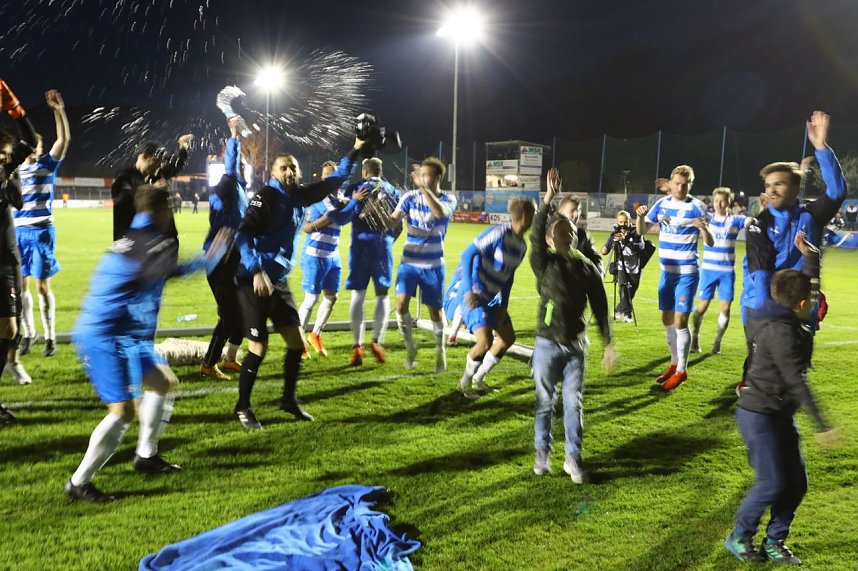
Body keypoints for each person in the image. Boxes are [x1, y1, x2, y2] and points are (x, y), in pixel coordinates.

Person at [66, 185, 229, 502]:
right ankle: (79, 482)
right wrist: (209, 260)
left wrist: (204, 260)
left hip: (128, 333)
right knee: (123, 411)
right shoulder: (151, 243)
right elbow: (163, 271)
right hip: (105, 335)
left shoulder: (133, 238)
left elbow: (157, 273)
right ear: (163, 210)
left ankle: (145, 455)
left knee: (162, 382)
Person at [231, 137, 367, 429]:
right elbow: (242, 234)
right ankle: (243, 407)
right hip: (252, 280)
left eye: (292, 167)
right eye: (283, 168)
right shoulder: (266, 197)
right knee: (258, 348)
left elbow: (336, 180)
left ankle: (288, 400)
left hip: (276, 281)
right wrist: (256, 270)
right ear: (273, 173)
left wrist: (356, 147)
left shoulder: (300, 196)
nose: (289, 171)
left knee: (296, 341)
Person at [725, 235, 838, 564]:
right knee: (772, 481)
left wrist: (811, 260)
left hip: (778, 414)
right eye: (811, 300)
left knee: (797, 483)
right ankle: (739, 536)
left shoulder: (791, 315)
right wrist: (822, 425)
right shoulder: (781, 331)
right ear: (801, 305)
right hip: (758, 414)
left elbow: (808, 291)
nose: (816, 303)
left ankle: (775, 540)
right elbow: (795, 381)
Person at [740, 111, 846, 391]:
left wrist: (822, 148)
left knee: (797, 368)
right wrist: (770, 324)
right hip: (761, 308)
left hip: (802, 307)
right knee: (766, 374)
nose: (771, 190)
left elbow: (837, 192)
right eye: (768, 185)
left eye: (779, 183)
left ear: (796, 187)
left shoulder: (811, 216)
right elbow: (761, 278)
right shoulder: (758, 225)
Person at [530, 168, 616, 483]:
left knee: (573, 403)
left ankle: (573, 458)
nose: (569, 234)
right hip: (546, 344)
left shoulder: (587, 268)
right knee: (544, 402)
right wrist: (549, 197)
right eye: (561, 231)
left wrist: (608, 342)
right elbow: (536, 231)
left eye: (572, 230)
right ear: (551, 239)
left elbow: (601, 306)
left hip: (576, 347)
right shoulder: (544, 263)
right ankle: (542, 452)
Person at [636, 165, 714, 391]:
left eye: (685, 184)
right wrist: (640, 218)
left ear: (691, 184)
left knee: (680, 321)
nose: (681, 188)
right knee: (666, 319)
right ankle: (673, 363)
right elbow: (642, 231)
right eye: (677, 183)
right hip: (666, 271)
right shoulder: (661, 204)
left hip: (687, 272)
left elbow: (709, 242)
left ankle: (682, 369)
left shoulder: (698, 207)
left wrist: (704, 230)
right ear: (670, 183)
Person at [456, 197, 535, 398]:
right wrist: (468, 289)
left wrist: (503, 304)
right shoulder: (499, 232)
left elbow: (509, 276)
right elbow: (467, 254)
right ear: (525, 215)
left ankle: (478, 379)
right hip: (475, 293)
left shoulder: (522, 246)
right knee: (484, 342)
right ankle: (464, 385)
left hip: (492, 298)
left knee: (508, 338)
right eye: (534, 214)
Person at [14, 89, 70, 358]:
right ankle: (28, 333)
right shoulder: (13, 169)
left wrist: (59, 111)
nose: (34, 147)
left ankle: (50, 336)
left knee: (42, 287)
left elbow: (64, 139)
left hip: (41, 233)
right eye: (31, 144)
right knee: (20, 288)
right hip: (18, 234)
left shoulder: (47, 165)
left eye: (37, 144)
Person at [390, 158, 457, 372]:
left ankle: (440, 352)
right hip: (409, 263)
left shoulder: (448, 198)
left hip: (433, 266)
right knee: (400, 306)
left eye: (426, 175)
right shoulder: (409, 197)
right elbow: (393, 220)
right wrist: (377, 212)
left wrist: (424, 188)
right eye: (421, 175)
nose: (422, 178)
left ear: (437, 177)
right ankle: (411, 348)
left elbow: (440, 213)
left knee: (435, 312)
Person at [297, 163, 368, 358]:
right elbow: (335, 216)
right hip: (315, 254)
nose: (330, 179)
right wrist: (353, 202)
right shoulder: (320, 197)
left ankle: (315, 335)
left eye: (333, 176)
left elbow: (345, 207)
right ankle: (298, 342)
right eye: (327, 176)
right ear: (322, 179)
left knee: (331, 297)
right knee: (311, 299)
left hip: (333, 255)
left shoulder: (338, 198)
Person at [200, 117, 250, 381]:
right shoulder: (225, 189)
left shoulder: (238, 186)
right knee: (230, 315)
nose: (241, 168)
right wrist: (233, 135)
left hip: (235, 258)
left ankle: (229, 359)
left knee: (242, 309)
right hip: (219, 260)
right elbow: (231, 164)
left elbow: (233, 164)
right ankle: (209, 364)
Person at [0, 78, 38, 424]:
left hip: (7, 261)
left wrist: (16, 109)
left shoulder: (6, 173)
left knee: (10, 330)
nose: (4, 158)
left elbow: (31, 140)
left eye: (4, 156)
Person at [342, 158, 402, 366]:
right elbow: (398, 224)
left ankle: (357, 345)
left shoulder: (355, 187)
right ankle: (377, 341)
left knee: (357, 295)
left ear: (365, 172)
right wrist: (387, 242)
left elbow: (346, 215)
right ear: (381, 171)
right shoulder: (393, 191)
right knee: (382, 295)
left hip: (359, 246)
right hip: (382, 246)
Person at [690, 187, 751, 354]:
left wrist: (757, 217)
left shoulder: (736, 220)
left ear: (729, 203)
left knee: (725, 309)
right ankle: (695, 338)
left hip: (727, 273)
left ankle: (717, 342)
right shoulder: (707, 219)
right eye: (716, 200)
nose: (719, 204)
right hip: (708, 271)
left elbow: (750, 222)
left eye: (722, 201)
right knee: (701, 307)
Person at [111, 135, 193, 240]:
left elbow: (175, 165)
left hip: (155, 243)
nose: (160, 165)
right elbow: (124, 201)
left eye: (161, 161)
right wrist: (153, 192)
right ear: (144, 157)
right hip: (131, 243)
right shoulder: (124, 177)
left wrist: (183, 148)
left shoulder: (155, 175)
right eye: (157, 160)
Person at [600, 210, 645, 323]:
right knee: (623, 289)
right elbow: (604, 251)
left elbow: (640, 247)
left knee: (631, 292)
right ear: (617, 222)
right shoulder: (616, 233)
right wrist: (612, 240)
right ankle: (627, 315)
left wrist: (624, 240)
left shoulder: (636, 232)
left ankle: (619, 310)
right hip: (621, 265)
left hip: (635, 267)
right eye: (620, 222)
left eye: (625, 222)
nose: (623, 224)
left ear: (629, 221)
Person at [553, 195, 603, 274]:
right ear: (561, 212)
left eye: (578, 210)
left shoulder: (583, 235)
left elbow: (596, 259)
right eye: (572, 210)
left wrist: (599, 277)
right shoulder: (550, 234)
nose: (576, 214)